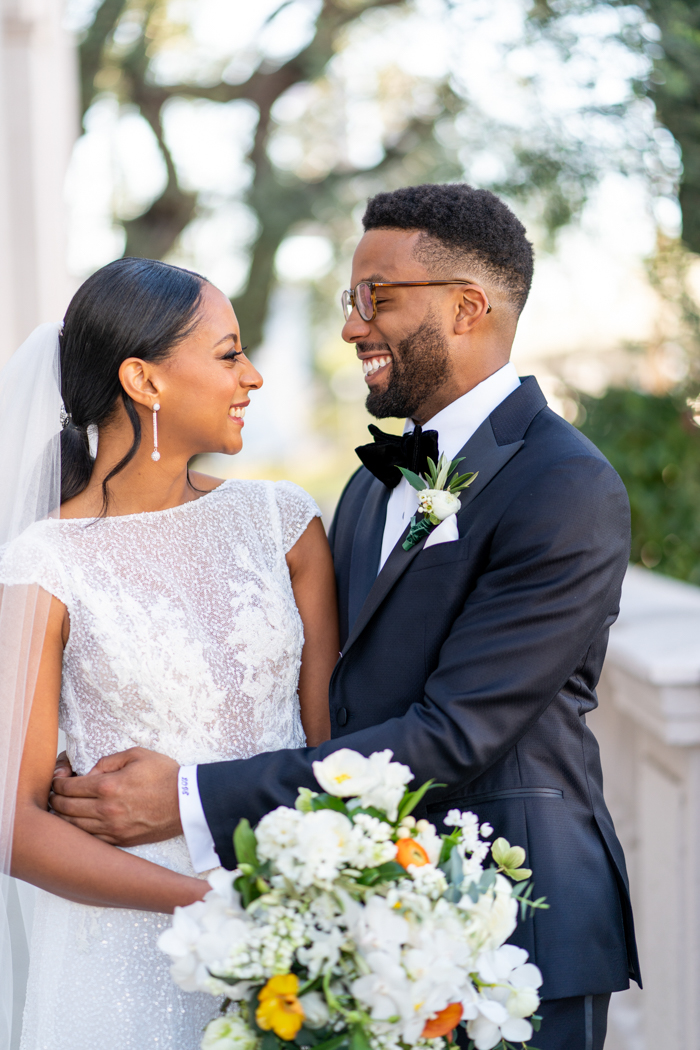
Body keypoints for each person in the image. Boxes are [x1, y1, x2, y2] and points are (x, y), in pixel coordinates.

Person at [52, 184, 641, 1050]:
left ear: (468, 307)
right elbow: (329, 690)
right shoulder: (371, 485)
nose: (352, 326)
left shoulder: (565, 486)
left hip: (515, 928)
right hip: (354, 922)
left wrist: (187, 796)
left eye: (378, 298)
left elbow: (454, 734)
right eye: (349, 299)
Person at [0, 257, 339, 1050]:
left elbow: (334, 755)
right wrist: (209, 905)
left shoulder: (283, 523)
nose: (251, 376)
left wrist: (290, 908)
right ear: (143, 382)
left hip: (289, 937)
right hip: (121, 956)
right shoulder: (43, 568)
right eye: (227, 355)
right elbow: (14, 824)